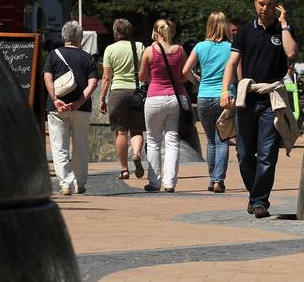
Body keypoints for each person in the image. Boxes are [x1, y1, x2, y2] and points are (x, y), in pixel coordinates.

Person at [220, 0, 299, 218]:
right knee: (244, 154)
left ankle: (259, 201)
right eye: (261, 3)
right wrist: (226, 90)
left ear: (277, 6)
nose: (264, 8)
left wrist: (284, 24)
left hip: (271, 101)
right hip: (248, 98)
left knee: (267, 154)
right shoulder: (245, 32)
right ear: (255, 3)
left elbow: (292, 53)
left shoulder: (283, 31)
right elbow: (232, 63)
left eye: (270, 4)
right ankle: (256, 195)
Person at [43, 20, 99, 195]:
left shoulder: (53, 55)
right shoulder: (88, 58)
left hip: (57, 107)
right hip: (81, 108)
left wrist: (55, 98)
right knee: (81, 145)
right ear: (80, 37)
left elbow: (47, 78)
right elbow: (93, 83)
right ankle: (80, 183)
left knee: (59, 146)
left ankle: (66, 183)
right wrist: (79, 102)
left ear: (63, 36)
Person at [182, 11, 234, 193]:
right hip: (225, 98)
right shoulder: (231, 48)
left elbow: (185, 71)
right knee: (223, 140)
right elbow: (238, 73)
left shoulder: (200, 47)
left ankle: (213, 179)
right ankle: (219, 180)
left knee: (211, 141)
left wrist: (198, 82)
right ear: (224, 26)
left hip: (204, 96)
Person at [138, 19, 188, 192]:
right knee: (173, 140)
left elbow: (142, 77)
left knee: (153, 141)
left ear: (155, 32)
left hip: (154, 98)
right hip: (175, 98)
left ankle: (154, 182)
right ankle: (170, 183)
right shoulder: (180, 50)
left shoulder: (149, 51)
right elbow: (183, 76)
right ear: (172, 32)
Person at [98, 18, 146, 180]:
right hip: (137, 92)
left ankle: (125, 169)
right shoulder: (139, 47)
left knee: (121, 132)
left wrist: (102, 98)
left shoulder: (110, 49)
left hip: (118, 92)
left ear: (115, 32)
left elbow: (106, 77)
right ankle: (137, 154)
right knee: (137, 129)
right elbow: (146, 70)